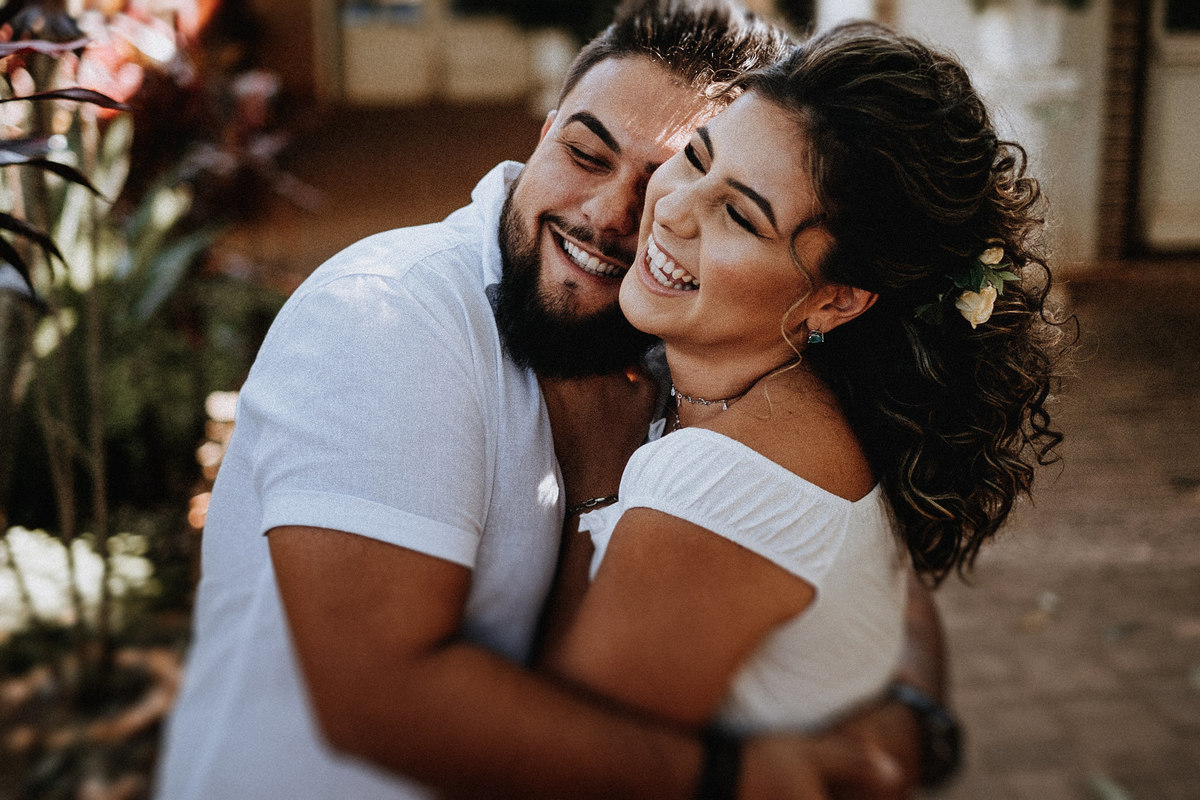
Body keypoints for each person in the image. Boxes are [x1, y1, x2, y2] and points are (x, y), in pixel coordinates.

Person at [154, 3, 949, 798]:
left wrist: (911, 714)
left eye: (671, 178)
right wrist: (733, 777)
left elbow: (837, 545)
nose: (613, 215)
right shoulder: (391, 318)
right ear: (542, 133)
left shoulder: (684, 328)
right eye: (585, 154)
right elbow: (378, 700)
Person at [537, 16, 1067, 766]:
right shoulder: (826, 397)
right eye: (697, 156)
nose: (673, 208)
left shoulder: (714, 485)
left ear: (836, 300)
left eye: (740, 216)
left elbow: (564, 762)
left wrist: (595, 473)